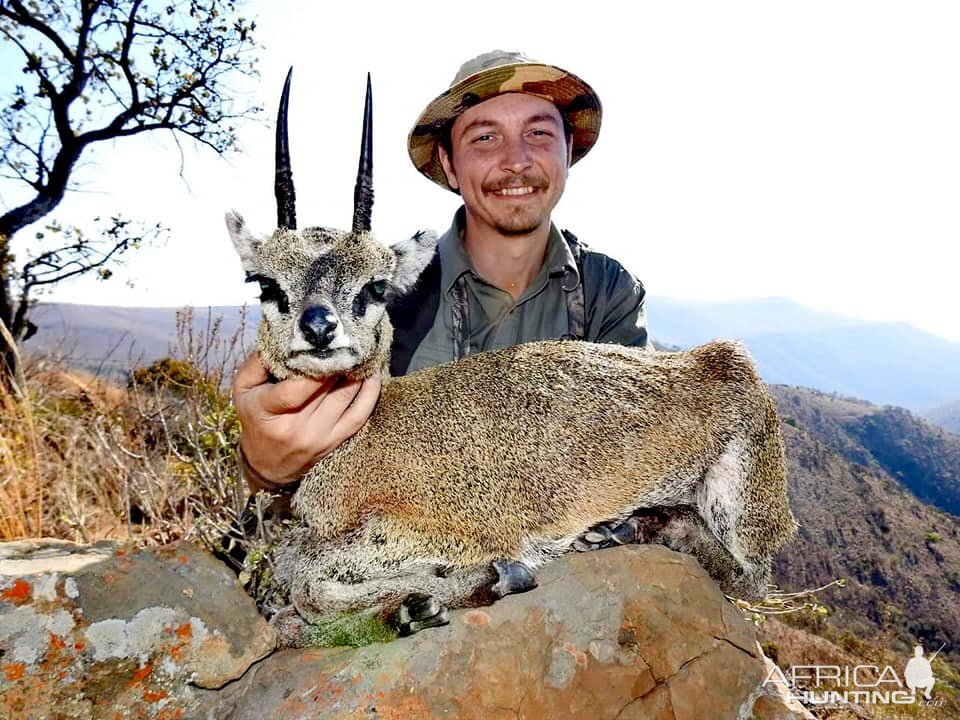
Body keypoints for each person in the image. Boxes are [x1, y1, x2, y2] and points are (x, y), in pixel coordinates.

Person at [233, 50, 649, 494]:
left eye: (539, 132)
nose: (517, 161)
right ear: (449, 164)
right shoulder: (384, 299)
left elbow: (633, 449)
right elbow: (305, 457)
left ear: (568, 150)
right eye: (485, 138)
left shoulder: (609, 291)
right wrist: (265, 469)